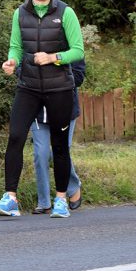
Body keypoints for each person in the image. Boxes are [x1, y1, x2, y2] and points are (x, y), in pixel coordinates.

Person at [0, 0, 84, 218]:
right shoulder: (20, 13)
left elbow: (78, 51)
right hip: (29, 87)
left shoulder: (65, 13)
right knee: (15, 136)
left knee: (59, 146)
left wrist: (54, 57)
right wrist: (11, 61)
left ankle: (60, 199)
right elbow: (15, 46)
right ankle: (10, 197)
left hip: (59, 88)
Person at [29, 59, 85, 214]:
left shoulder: (71, 44)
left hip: (64, 108)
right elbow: (21, 70)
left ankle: (73, 187)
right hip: (37, 110)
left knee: (58, 152)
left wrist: (54, 73)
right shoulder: (32, 39)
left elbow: (79, 76)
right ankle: (44, 203)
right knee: (41, 154)